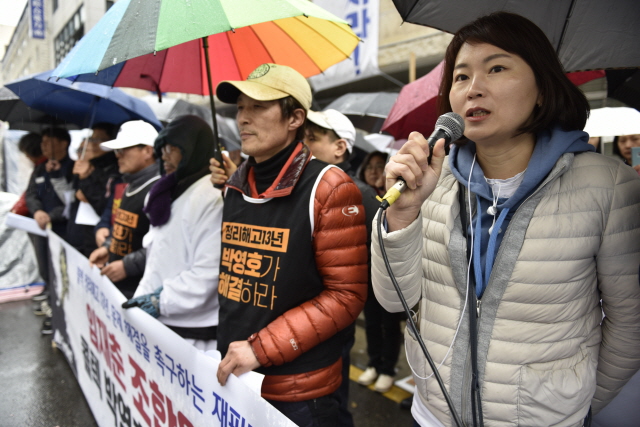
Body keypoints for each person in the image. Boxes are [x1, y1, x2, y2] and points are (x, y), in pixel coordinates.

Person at [371, 12, 640, 427]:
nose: (473, 88)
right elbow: (394, 301)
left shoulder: (608, 186)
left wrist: (573, 403)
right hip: (433, 414)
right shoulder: (430, 183)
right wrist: (403, 213)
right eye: (461, 76)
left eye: (497, 68)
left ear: (542, 89)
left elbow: (629, 324)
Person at [213, 63, 368, 427]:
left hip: (299, 394)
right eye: (240, 107)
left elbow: (346, 295)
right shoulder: (235, 186)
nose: (243, 118)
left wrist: (260, 348)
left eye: (258, 106)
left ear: (295, 118)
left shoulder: (330, 187)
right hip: (235, 377)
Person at [122, 115, 224, 352]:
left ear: (194, 149)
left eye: (174, 148)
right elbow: (156, 256)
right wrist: (144, 295)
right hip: (161, 321)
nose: (165, 156)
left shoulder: (212, 197)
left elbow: (208, 272)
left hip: (193, 331)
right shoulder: (164, 193)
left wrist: (161, 300)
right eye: (162, 149)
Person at [352, 149, 406, 393]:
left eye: (379, 166)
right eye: (370, 166)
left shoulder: (399, 197)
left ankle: (387, 369)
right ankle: (374, 363)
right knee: (372, 321)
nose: (374, 171)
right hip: (366, 271)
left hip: (390, 274)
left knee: (390, 323)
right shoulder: (358, 195)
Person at [88, 120, 160, 299]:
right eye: (116, 151)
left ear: (147, 151)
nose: (118, 156)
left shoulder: (158, 190)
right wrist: (108, 248)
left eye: (124, 149)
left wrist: (127, 266)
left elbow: (163, 245)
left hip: (142, 294)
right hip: (121, 290)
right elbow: (122, 227)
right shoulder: (129, 185)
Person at [67, 123, 120, 256]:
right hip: (78, 234)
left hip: (97, 239)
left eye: (99, 139)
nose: (93, 144)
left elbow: (105, 206)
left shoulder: (115, 171)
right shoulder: (88, 164)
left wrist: (87, 181)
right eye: (92, 139)